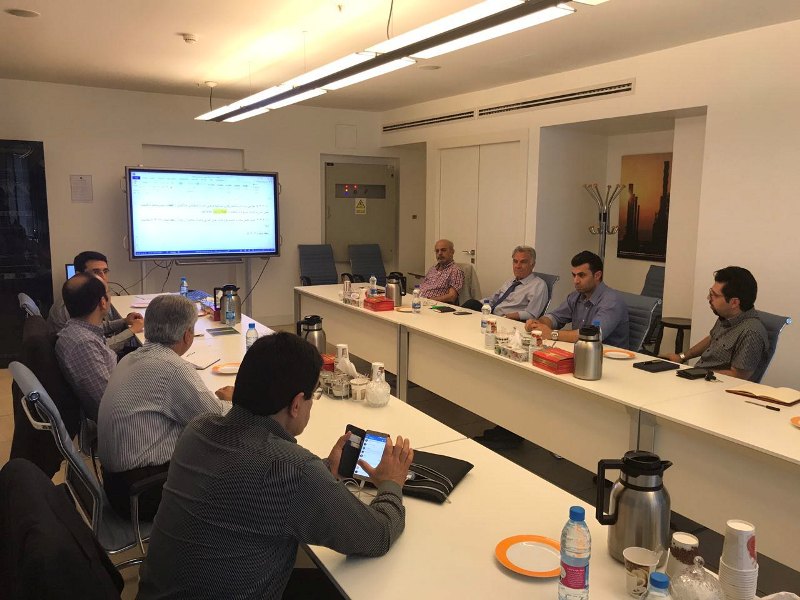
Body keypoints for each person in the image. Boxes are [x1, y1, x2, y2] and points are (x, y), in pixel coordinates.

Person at [137, 332, 414, 600]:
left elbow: (246, 479)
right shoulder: (292, 469)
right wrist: (391, 483)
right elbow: (376, 536)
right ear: (296, 404)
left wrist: (326, 469)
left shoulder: (198, 429)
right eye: (312, 396)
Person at [97, 295, 233, 521]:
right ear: (187, 335)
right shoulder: (172, 368)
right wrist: (232, 400)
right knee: (236, 452)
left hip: (117, 484)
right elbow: (217, 422)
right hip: (143, 493)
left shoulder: (130, 358)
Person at [663, 266, 768, 380]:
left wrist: (697, 373)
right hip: (700, 378)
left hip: (716, 386)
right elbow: (712, 339)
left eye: (715, 295)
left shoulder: (751, 333)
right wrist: (681, 357)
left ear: (734, 303)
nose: (709, 298)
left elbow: (738, 376)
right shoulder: (727, 316)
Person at [525, 250, 629, 349]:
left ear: (597, 275)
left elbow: (592, 335)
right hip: (582, 352)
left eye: (581, 275)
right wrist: (537, 324)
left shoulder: (612, 301)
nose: (576, 281)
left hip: (608, 356)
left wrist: (552, 334)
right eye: (574, 275)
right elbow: (555, 317)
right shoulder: (576, 296)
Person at [48, 250, 143, 353]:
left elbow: (95, 328)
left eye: (105, 271)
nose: (103, 277)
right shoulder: (70, 305)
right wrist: (132, 330)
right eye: (96, 272)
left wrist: (124, 321)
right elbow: (96, 348)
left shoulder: (90, 296)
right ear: (79, 275)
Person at [54, 273, 117, 421]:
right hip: (120, 421)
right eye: (108, 292)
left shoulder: (76, 329)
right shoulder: (84, 345)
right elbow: (110, 404)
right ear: (103, 302)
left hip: (120, 388)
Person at [464, 245, 547, 320]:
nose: (517, 266)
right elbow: (493, 299)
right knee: (472, 303)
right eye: (515, 261)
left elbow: (532, 314)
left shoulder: (538, 285)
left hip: (508, 320)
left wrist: (509, 316)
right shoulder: (511, 281)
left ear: (532, 265)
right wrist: (480, 304)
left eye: (523, 262)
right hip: (492, 314)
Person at [418, 239, 464, 303]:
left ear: (452, 252)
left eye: (443, 250)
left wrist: (429, 300)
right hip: (419, 301)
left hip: (433, 305)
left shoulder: (455, 271)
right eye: (437, 251)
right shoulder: (432, 269)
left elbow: (452, 296)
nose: (439, 253)